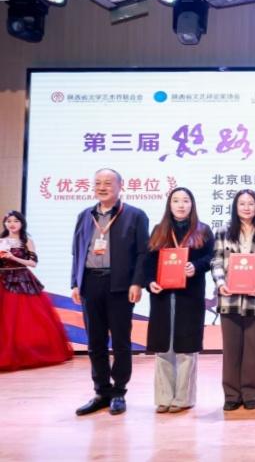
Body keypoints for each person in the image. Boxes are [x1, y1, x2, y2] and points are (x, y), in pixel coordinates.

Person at [71, 168, 149, 416]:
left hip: (120, 286)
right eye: (98, 183)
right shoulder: (85, 215)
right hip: (90, 283)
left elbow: (143, 253)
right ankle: (101, 391)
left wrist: (137, 283)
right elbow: (77, 251)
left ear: (120, 186)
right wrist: (75, 282)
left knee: (121, 341)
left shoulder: (135, 215)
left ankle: (119, 392)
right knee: (95, 342)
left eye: (107, 183)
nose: (102, 187)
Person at [145, 187, 214, 413]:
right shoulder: (159, 230)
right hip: (163, 297)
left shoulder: (203, 230)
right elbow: (148, 261)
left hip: (189, 296)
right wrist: (149, 282)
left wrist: (197, 266)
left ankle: (184, 398)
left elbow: (212, 258)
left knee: (186, 349)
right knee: (163, 348)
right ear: (169, 205)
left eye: (185, 200)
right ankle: (164, 398)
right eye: (176, 201)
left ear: (192, 204)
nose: (181, 205)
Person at [211, 189, 255, 411]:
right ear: (235, 207)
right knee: (231, 350)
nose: (247, 207)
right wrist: (221, 282)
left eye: (251, 203)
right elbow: (216, 262)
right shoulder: (222, 232)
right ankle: (231, 395)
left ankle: (251, 394)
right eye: (242, 204)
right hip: (229, 299)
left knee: (253, 350)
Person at [0, 210, 73, 371]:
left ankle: (24, 354)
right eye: (9, 221)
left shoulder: (26, 241)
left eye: (16, 221)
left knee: (23, 318)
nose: (12, 224)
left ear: (22, 223)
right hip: (3, 279)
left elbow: (32, 263)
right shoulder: (1, 241)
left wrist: (13, 257)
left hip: (22, 279)